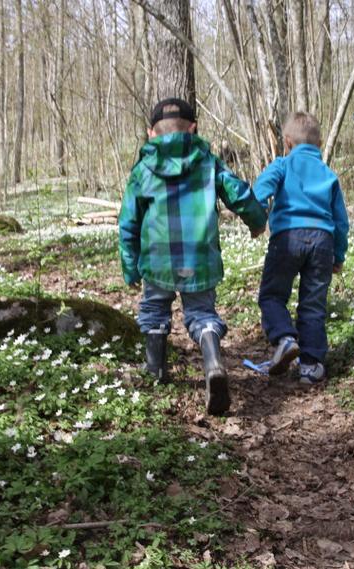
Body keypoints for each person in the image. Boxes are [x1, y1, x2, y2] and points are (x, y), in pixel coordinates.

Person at [119, 98, 267, 415]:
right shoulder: (208, 162)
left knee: (155, 310)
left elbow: (128, 221)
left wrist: (130, 266)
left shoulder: (143, 170)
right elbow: (237, 192)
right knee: (201, 313)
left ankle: (156, 369)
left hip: (157, 260)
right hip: (199, 257)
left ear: (150, 133)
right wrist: (257, 221)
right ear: (193, 128)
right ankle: (213, 362)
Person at [254, 112, 349, 385]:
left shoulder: (282, 165)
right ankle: (311, 366)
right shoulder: (328, 174)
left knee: (272, 295)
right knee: (313, 304)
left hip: (286, 238)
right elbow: (341, 222)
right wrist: (338, 255)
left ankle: (284, 338)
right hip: (322, 242)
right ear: (318, 144)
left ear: (287, 142)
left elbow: (261, 190)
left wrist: (258, 216)